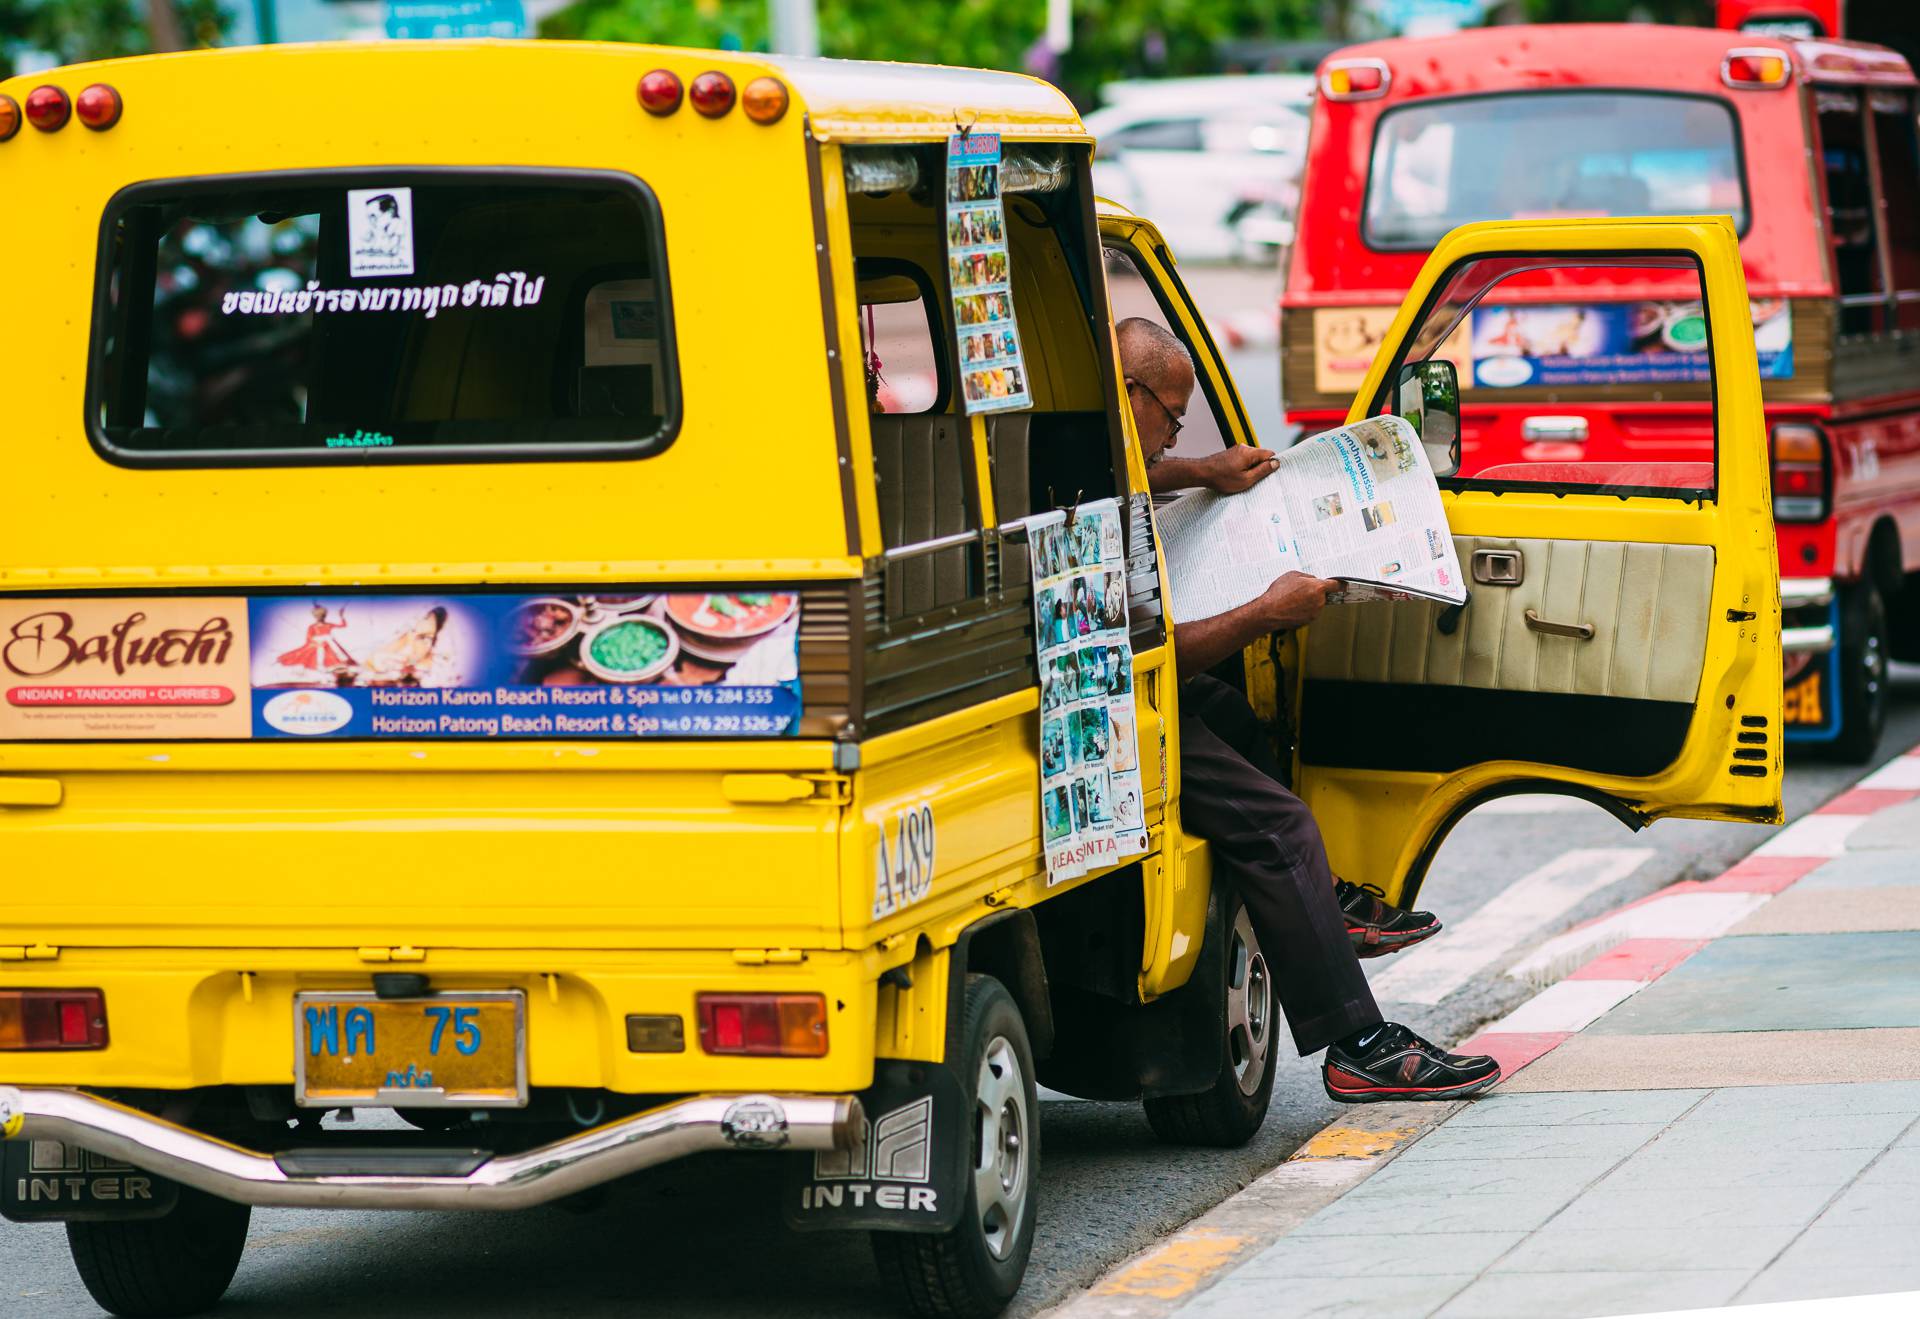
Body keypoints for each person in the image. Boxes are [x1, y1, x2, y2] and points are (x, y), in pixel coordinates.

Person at [1117, 317, 1499, 1103]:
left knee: (1230, 711)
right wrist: (1262, 611)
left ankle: (1315, 899)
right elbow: (1144, 657)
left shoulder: (1094, 433)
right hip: (1116, 706)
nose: (1172, 436)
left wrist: (1206, 470)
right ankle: (1356, 1044)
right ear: (1131, 394)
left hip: (1149, 689)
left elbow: (1130, 468)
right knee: (1279, 825)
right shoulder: (1090, 457)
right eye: (1172, 417)